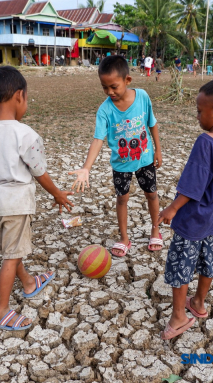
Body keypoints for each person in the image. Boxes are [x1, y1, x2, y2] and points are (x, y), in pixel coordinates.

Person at [0, 66, 74, 331]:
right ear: (19, 96)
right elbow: (39, 172)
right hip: (16, 203)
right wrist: (58, 194)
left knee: (11, 249)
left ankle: (27, 283)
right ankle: (0, 311)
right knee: (10, 257)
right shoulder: (26, 134)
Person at [155, 78, 213, 340]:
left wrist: (171, 208)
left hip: (193, 218)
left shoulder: (205, 142)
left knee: (181, 264)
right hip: (212, 216)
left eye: (200, 111)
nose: (197, 116)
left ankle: (179, 317)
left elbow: (193, 183)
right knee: (205, 260)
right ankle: (199, 303)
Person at [70, 55, 164, 257]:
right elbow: (98, 139)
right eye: (104, 87)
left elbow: (152, 123)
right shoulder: (104, 110)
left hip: (145, 159)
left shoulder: (143, 97)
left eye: (113, 86)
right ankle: (124, 238)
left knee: (152, 194)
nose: (109, 92)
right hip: (121, 165)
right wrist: (86, 168)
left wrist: (158, 149)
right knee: (122, 199)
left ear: (127, 80)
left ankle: (155, 229)